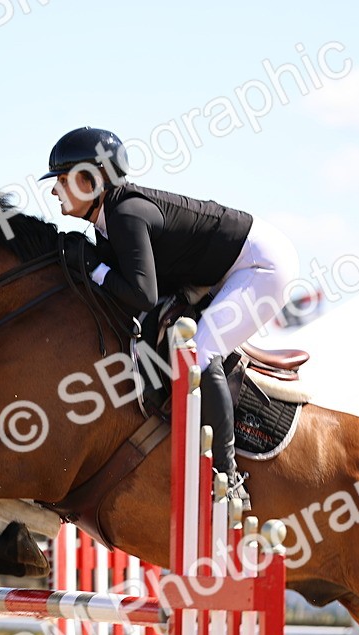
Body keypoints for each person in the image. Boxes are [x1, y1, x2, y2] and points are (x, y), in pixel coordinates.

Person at [41, 127, 300, 508]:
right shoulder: (107, 219)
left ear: (92, 178)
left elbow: (141, 294)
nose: (54, 190)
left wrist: (94, 270)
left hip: (261, 265)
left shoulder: (126, 213)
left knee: (201, 351)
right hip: (222, 268)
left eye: (62, 180)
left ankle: (227, 479)